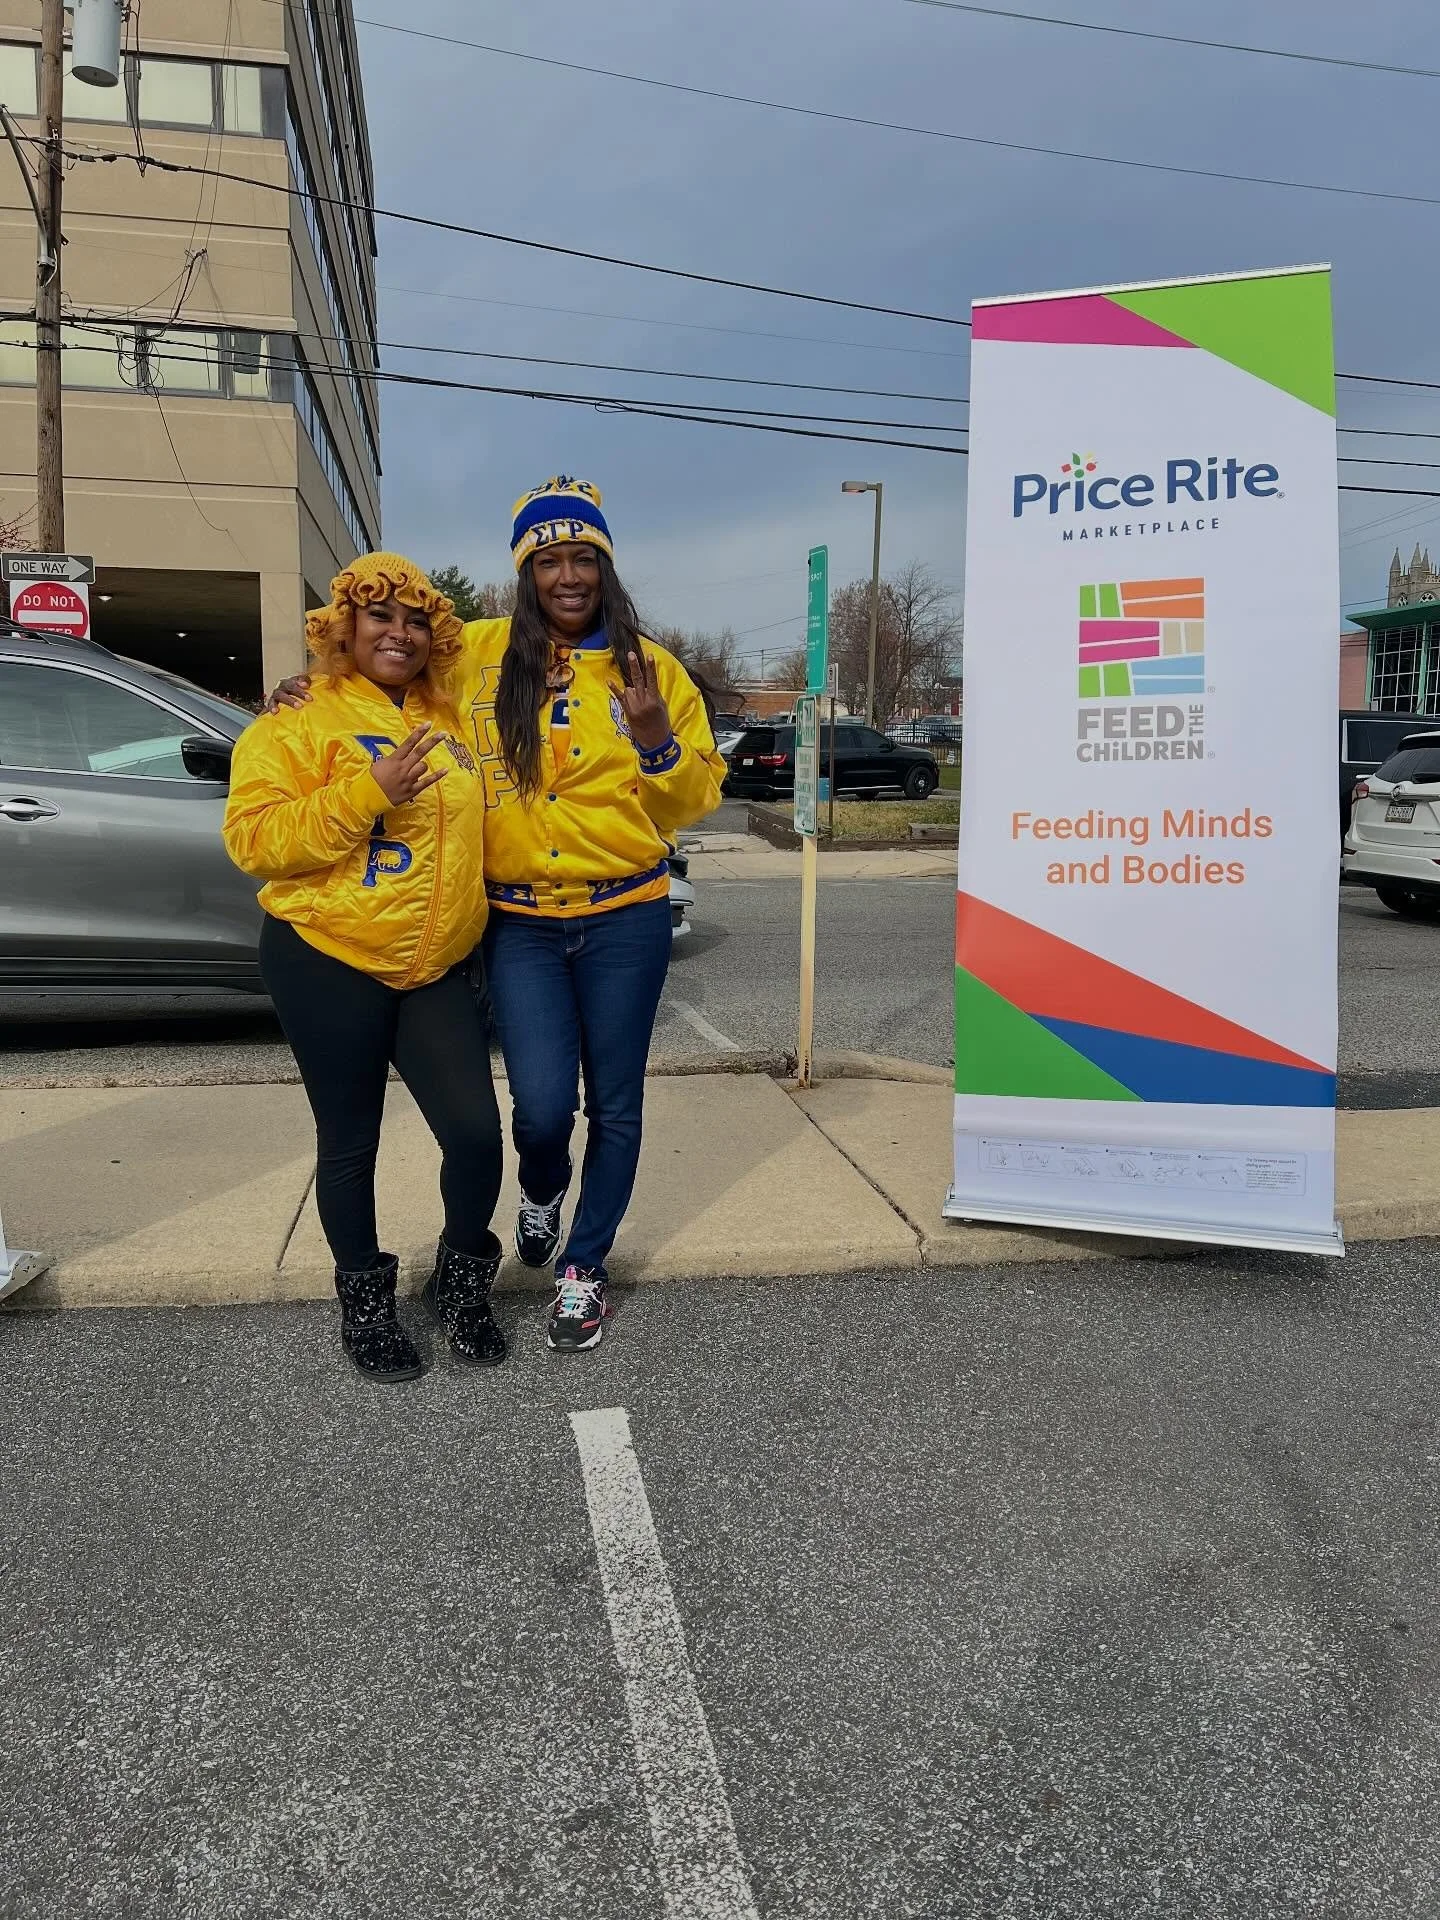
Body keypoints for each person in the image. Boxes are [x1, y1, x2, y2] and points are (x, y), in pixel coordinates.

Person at [266, 483, 724, 1353]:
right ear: (525, 573)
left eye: (584, 558)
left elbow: (693, 801)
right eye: (548, 561)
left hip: (624, 916)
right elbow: (379, 667)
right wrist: (307, 684)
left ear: (606, 566)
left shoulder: (651, 670)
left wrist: (657, 741)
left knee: (616, 1103)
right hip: (519, 925)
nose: (568, 576)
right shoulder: (476, 653)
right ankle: (543, 1187)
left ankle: (584, 1268)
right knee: (541, 1109)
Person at [225, 554, 505, 1383]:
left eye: (416, 621)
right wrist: (365, 791)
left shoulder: (452, 720)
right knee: (350, 1143)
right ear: (343, 626)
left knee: (475, 1136)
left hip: (436, 968)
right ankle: (367, 1306)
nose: (400, 633)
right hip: (327, 956)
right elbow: (255, 841)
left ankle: (460, 1283)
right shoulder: (295, 719)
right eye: (380, 615)